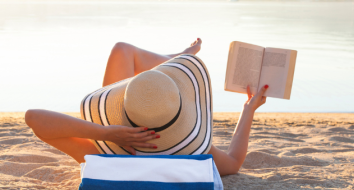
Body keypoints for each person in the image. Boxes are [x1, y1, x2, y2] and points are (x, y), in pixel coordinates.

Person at [25, 38, 268, 176]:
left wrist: (107, 133)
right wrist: (248, 108)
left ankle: (175, 62)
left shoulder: (104, 153)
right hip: (143, 125)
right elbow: (235, 162)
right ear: (181, 114)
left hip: (120, 130)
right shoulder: (192, 148)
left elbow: (34, 118)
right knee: (127, 55)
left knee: (122, 50)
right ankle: (174, 64)